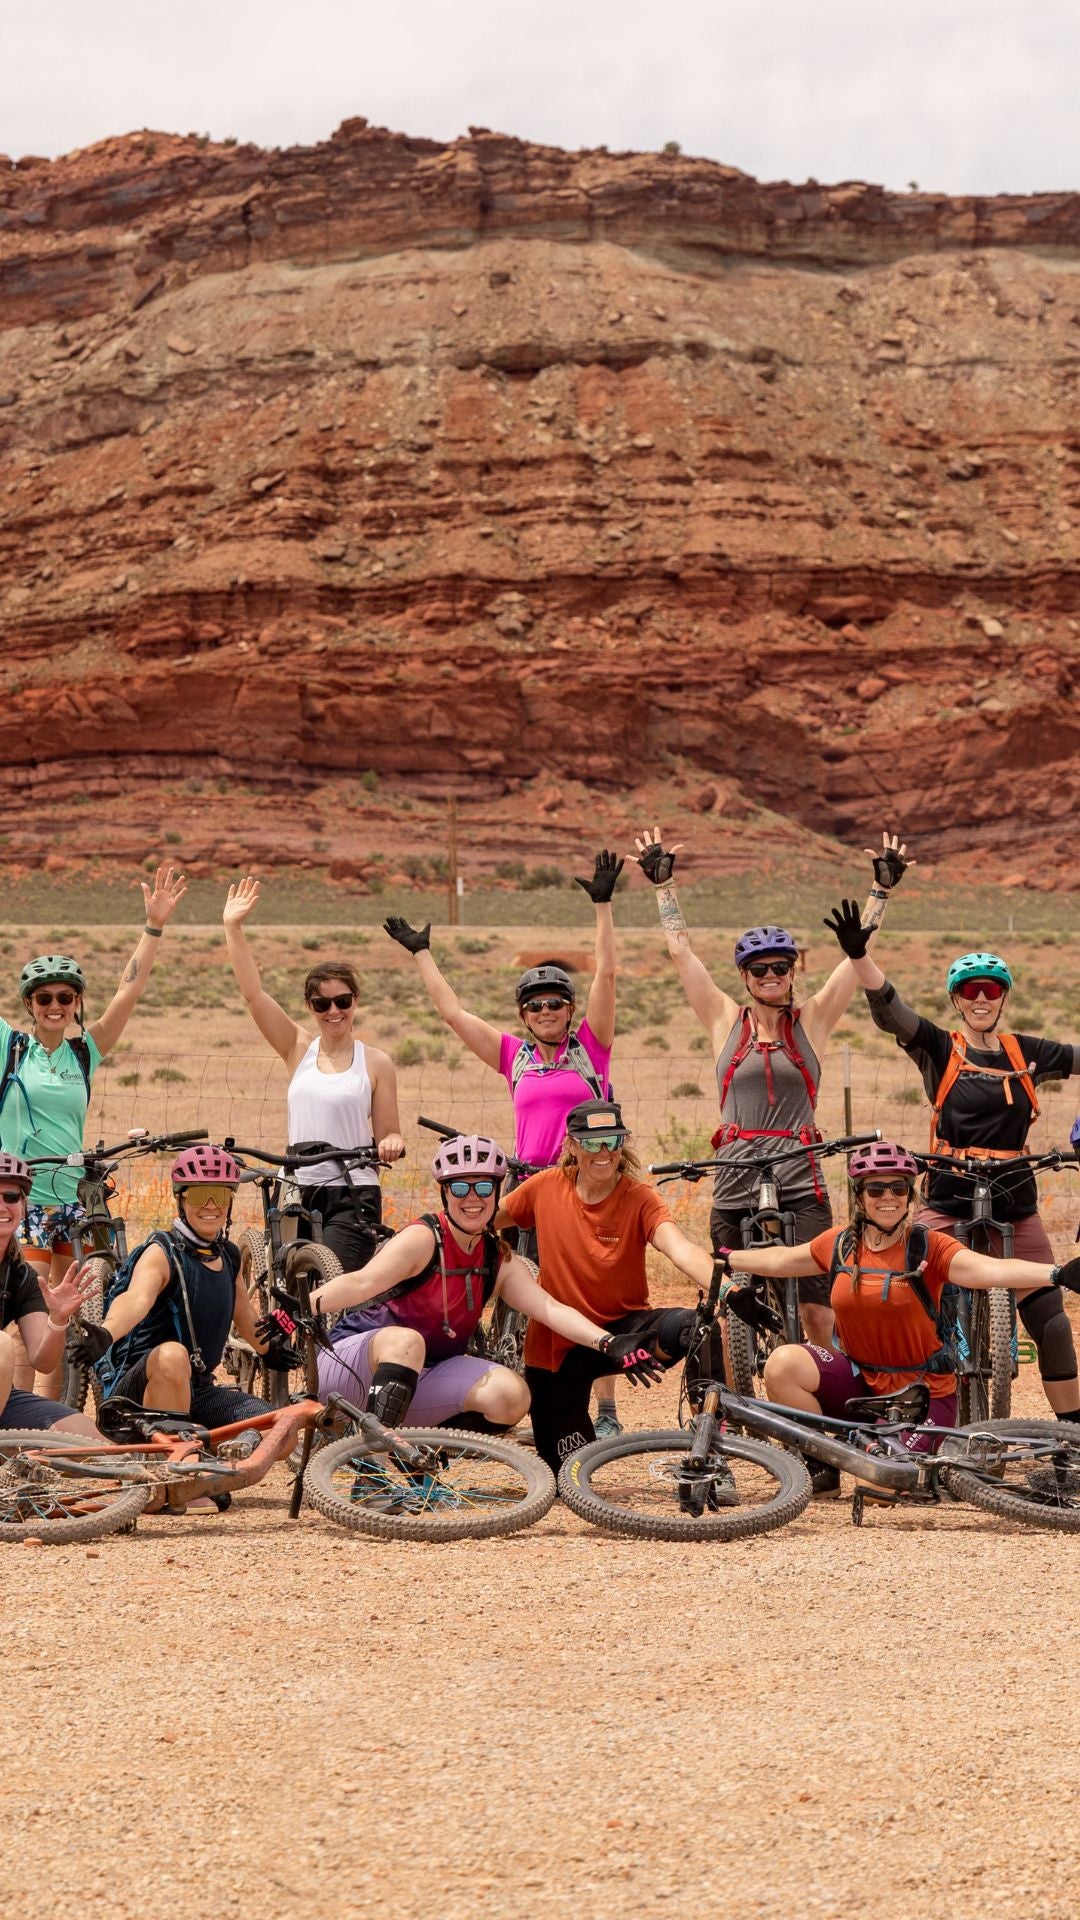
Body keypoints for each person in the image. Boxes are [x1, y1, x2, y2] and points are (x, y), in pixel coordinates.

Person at [634, 826, 911, 1344]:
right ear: (744, 975)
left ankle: (820, 1395)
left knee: (817, 1309)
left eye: (780, 967)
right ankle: (737, 1388)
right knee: (731, 1295)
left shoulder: (812, 1022)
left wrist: (881, 893)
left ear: (792, 971)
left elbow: (857, 957)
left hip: (799, 1171)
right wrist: (662, 887)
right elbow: (681, 956)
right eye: (759, 969)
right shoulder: (723, 1019)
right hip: (736, 1169)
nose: (770, 976)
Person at [384, 847, 625, 1433]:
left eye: (555, 1003)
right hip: (524, 1183)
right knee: (496, 1275)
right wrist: (423, 955)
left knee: (587, 1293)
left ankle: (608, 1410)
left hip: (584, 1183)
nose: (546, 1011)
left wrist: (602, 906)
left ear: (569, 1010)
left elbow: (610, 975)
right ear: (523, 1015)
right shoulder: (515, 1057)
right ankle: (487, 1375)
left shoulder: (590, 1047)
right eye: (535, 1005)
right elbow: (452, 1014)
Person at [824, 904, 1080, 1422]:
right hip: (946, 1194)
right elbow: (891, 1012)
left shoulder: (1025, 1052)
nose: (981, 998)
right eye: (969, 990)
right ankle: (872, 1401)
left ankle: (1073, 1438)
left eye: (991, 989)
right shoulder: (941, 1048)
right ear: (956, 1000)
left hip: (1014, 1198)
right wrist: (859, 955)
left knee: (1051, 1318)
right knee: (893, 1284)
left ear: (1004, 996)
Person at [712, 1140, 1080, 1470]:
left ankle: (870, 1458)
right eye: (876, 1188)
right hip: (861, 1385)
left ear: (910, 1196)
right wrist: (727, 1257)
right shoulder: (839, 1244)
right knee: (783, 1364)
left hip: (923, 1393)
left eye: (898, 1188)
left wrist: (1057, 1273)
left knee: (880, 1483)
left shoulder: (929, 1246)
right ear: (859, 1196)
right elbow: (781, 1260)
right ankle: (822, 1467)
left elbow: (989, 1269)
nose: (887, 1197)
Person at [311, 1133, 661, 1438]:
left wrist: (608, 1341)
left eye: (483, 1186)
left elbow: (550, 1308)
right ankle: (373, 1474)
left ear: (497, 1193)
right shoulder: (424, 1237)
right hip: (350, 1367)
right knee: (407, 1340)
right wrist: (293, 1310)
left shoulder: (496, 1258)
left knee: (512, 1396)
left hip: (422, 1376)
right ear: (445, 1193)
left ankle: (416, 1454)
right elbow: (361, 1282)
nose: (472, 1198)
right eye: (460, 1187)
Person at [0, 865, 187, 1398]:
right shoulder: (10, 1048)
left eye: (65, 998)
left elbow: (130, 992)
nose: (55, 1007)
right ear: (29, 1006)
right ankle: (11, 1418)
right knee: (23, 1319)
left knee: (63, 1316)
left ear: (75, 1002)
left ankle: (46, 1425)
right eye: (44, 999)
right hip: (21, 1195)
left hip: (74, 1199)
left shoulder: (85, 1051)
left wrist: (152, 929)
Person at [495, 1100, 737, 1479]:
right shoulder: (542, 1188)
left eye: (612, 1140)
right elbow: (486, 1218)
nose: (603, 1152)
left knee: (699, 1329)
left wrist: (728, 1291)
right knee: (568, 1476)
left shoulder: (639, 1197)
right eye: (592, 1143)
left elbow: (679, 1249)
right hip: (558, 1346)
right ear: (571, 1146)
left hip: (627, 1335)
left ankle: (711, 1449)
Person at [222, 876, 404, 1270]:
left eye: (342, 1000)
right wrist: (233, 928)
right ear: (310, 1006)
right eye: (322, 1004)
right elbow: (254, 996)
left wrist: (391, 1142)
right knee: (290, 1282)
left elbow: (390, 1130)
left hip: (353, 1189)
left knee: (336, 1286)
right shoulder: (298, 1049)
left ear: (355, 1001)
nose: (333, 1011)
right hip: (298, 1187)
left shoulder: (375, 1062)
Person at [94, 1144, 283, 1428]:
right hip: (137, 1397)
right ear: (180, 1200)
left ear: (230, 1201)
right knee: (173, 1355)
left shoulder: (228, 1254)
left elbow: (243, 1314)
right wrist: (105, 1334)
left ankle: (202, 1452)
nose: (210, 1205)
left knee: (279, 1428)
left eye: (219, 1194)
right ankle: (172, 1456)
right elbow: (136, 1300)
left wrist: (272, 1349)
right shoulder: (162, 1252)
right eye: (197, 1194)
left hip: (199, 1391)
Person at [0, 1154, 102, 1436]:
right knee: (1, 1346)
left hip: (2, 1395)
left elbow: (42, 1361)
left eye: (11, 1196)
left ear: (23, 1207)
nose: (3, 1206)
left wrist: (58, 1320)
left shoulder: (21, 1275)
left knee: (90, 1439)